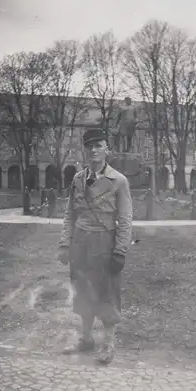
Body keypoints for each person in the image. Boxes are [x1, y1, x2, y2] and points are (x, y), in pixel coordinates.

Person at [58, 128, 133, 365]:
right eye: (89, 146)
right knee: (83, 291)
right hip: (81, 243)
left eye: (99, 145)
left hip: (104, 243)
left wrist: (120, 250)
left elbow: (125, 219)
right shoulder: (78, 178)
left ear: (107, 149)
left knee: (107, 294)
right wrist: (64, 243)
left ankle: (108, 344)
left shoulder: (119, 180)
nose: (93, 150)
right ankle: (86, 339)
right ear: (85, 149)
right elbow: (69, 214)